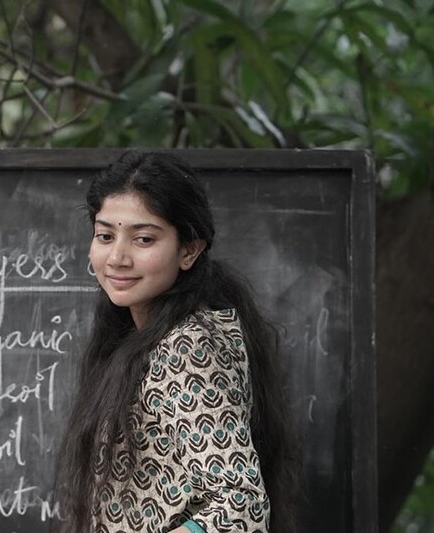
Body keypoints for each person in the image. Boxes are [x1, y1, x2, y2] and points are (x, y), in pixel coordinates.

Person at [57, 151, 296, 533]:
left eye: (144, 239)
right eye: (105, 235)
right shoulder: (143, 332)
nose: (117, 257)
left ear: (189, 250)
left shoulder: (188, 346)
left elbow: (240, 505)